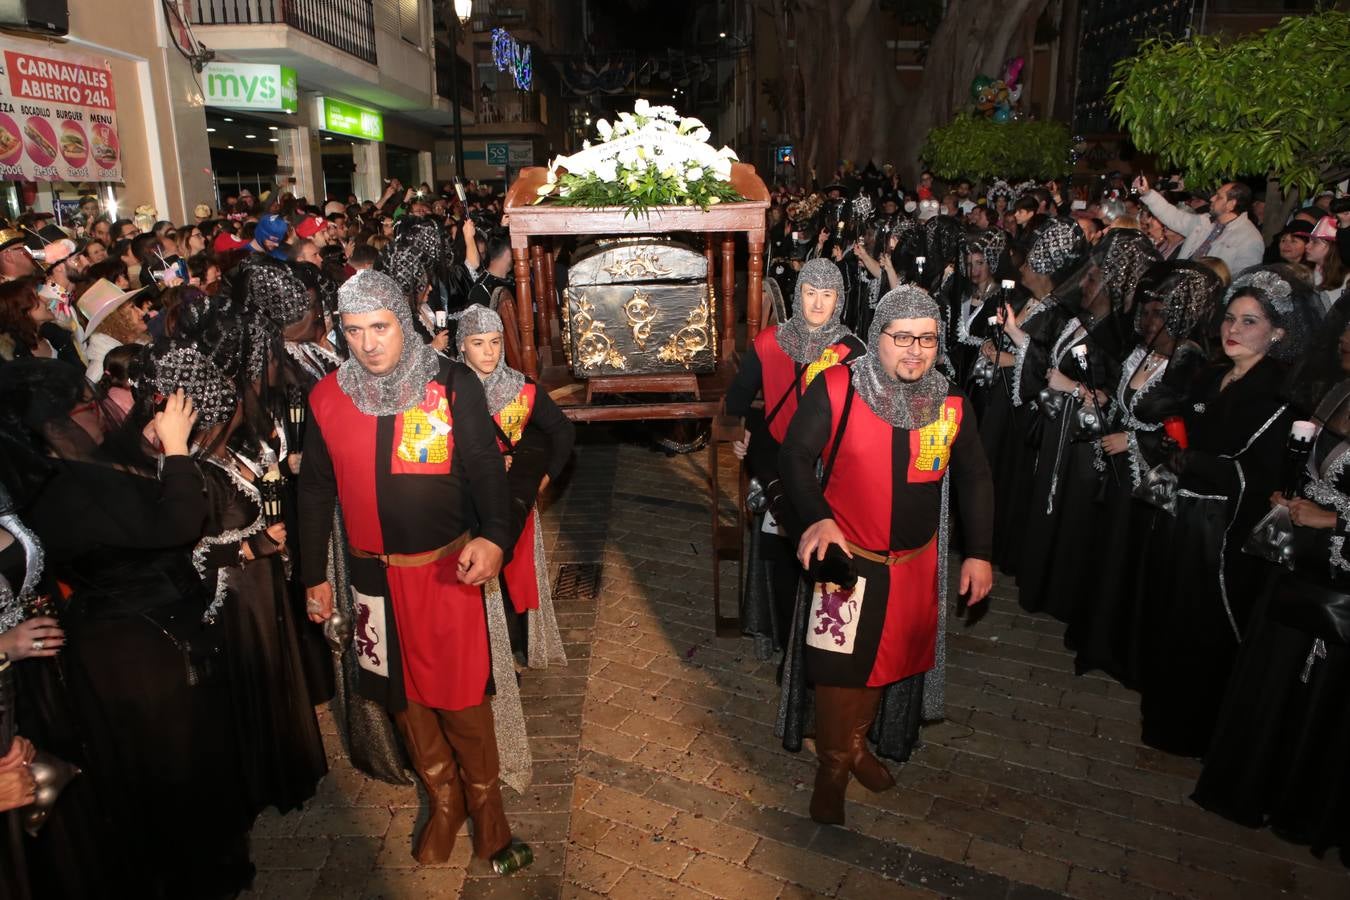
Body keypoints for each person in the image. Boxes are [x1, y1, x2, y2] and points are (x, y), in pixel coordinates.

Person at [298, 270, 528, 867]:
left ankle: (489, 810)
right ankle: (443, 800)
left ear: (404, 321)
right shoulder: (326, 397)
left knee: (459, 697)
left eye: (380, 327)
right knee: (400, 696)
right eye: (353, 331)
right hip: (369, 579)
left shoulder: (450, 384)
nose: (369, 343)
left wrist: (497, 539)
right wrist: (313, 576)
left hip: (443, 573)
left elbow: (484, 469)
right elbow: (315, 492)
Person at [779, 285, 994, 826]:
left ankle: (854, 747)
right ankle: (832, 767)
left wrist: (981, 554)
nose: (915, 350)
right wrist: (818, 515)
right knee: (839, 673)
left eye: (927, 338)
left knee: (886, 664)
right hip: (848, 567)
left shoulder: (949, 404)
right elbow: (794, 457)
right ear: (878, 339)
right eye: (903, 338)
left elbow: (975, 477)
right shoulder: (837, 388)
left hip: (915, 566)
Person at [1136, 266, 1315, 756]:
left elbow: (1267, 477)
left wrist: (1203, 466)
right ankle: (1161, 714)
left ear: (1279, 332)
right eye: (1230, 319)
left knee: (1203, 625)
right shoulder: (1211, 375)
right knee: (1169, 615)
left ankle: (1195, 730)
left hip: (1222, 534)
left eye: (1250, 322)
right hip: (1182, 519)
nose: (1233, 330)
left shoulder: (1282, 395)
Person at [1192, 301, 1350, 857]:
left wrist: (1334, 518)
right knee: (1273, 677)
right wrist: (1291, 499)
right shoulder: (1332, 393)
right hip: (1298, 561)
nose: (1349, 338)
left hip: (1339, 575)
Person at [1067, 262, 1219, 685]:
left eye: (1161, 311)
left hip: (1151, 484)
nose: (1150, 319)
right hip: (1118, 476)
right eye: (1147, 310)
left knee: (1133, 564)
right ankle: (1095, 638)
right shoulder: (1142, 351)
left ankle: (1123, 652)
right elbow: (1122, 402)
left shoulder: (1190, 363)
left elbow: (1187, 438)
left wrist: (1135, 443)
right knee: (1107, 556)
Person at [725, 259, 866, 658]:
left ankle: (823, 653)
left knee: (824, 559)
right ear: (797, 294)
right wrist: (746, 430)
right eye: (809, 294)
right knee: (786, 562)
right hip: (778, 462)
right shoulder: (771, 341)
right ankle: (788, 648)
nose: (817, 305)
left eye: (827, 296)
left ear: (839, 300)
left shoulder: (852, 352)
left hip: (828, 468)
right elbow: (738, 398)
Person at [456, 304, 572, 669]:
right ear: (462, 347)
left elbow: (562, 431)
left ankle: (517, 648)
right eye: (478, 343)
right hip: (468, 499)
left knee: (515, 573)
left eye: (495, 342)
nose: (489, 352)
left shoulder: (522, 389)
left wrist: (545, 476)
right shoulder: (446, 393)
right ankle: (489, 658)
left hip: (513, 496)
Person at [1134, 175, 1263, 277]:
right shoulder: (1205, 222)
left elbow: (1242, 279)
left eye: (1218, 197)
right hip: (1179, 283)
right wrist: (1147, 193)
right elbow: (1172, 216)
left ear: (1231, 204)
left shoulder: (1250, 239)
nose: (1212, 199)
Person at [75, 278, 148, 382]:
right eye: (132, 307)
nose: (141, 313)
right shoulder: (101, 371)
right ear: (116, 319)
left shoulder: (131, 346)